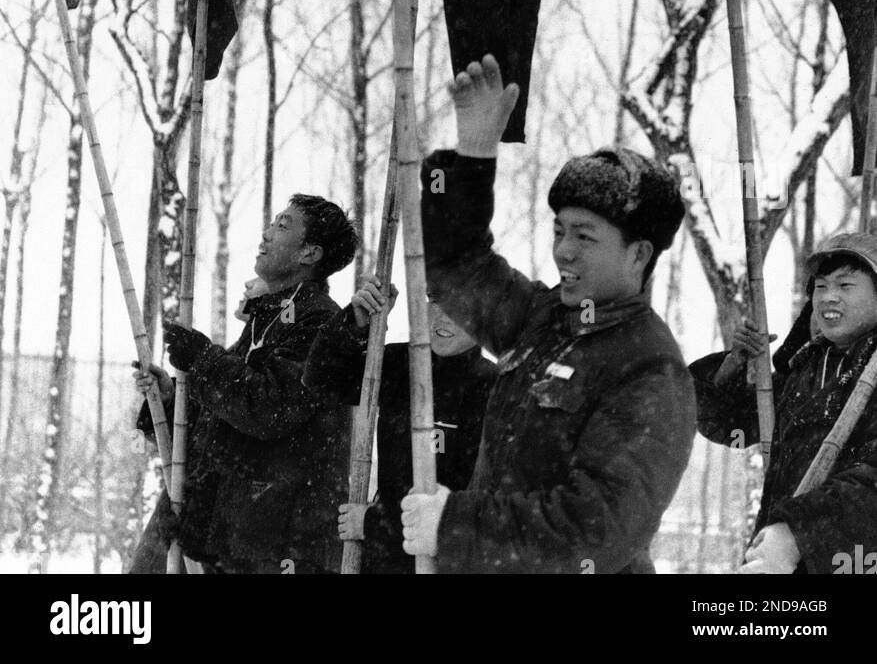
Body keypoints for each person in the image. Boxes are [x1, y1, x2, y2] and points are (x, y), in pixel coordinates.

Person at [400, 53, 696, 574]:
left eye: (585, 237)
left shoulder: (651, 370)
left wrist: (454, 524)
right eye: (559, 231)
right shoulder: (543, 320)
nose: (563, 251)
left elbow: (595, 529)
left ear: (639, 254)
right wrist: (473, 153)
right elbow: (452, 268)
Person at [130, 193, 357, 575]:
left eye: (283, 226)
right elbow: (223, 418)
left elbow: (269, 409)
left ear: (310, 254)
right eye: (272, 223)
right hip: (219, 524)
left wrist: (203, 358)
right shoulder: (267, 319)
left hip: (273, 544)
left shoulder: (320, 325)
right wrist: (170, 399)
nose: (266, 235)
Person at [689, 231, 877, 575]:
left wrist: (798, 535)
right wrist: (733, 366)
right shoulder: (804, 373)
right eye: (820, 287)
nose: (828, 298)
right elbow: (731, 424)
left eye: (845, 286)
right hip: (778, 560)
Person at [302, 273, 496, 573]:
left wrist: (371, 523)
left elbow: (467, 506)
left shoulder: (492, 389)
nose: (443, 316)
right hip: (381, 559)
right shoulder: (398, 363)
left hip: (443, 563)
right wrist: (356, 322)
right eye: (435, 300)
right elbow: (322, 379)